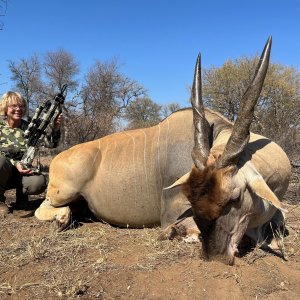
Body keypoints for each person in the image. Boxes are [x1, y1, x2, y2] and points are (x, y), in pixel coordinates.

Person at [0, 91, 63, 215]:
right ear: (5, 108)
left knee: (38, 183)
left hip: (21, 172)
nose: (18, 109)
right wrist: (15, 163)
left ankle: (22, 199)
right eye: (13, 106)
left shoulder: (30, 127)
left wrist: (56, 128)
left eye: (21, 106)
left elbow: (51, 144)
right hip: (2, 171)